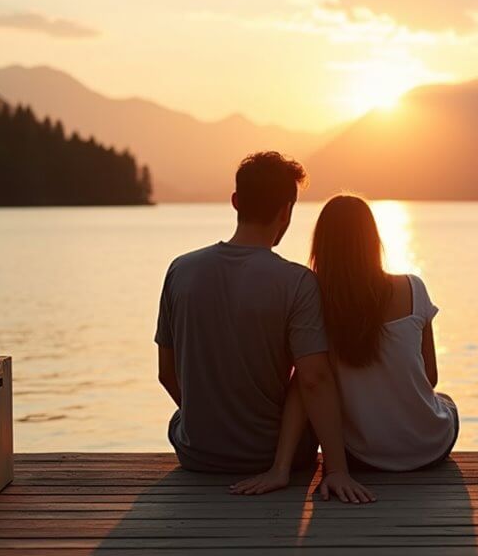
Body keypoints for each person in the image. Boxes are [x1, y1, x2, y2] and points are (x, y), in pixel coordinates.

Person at [155, 152, 375, 504]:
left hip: (196, 453)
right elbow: (314, 379)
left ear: (236, 202)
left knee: (178, 421)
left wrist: (209, 420)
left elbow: (167, 373)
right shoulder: (298, 283)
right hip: (272, 456)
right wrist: (337, 470)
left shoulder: (180, 271)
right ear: (287, 210)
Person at [232, 194, 456, 494]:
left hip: (364, 456)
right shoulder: (414, 287)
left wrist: (279, 468)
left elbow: (306, 383)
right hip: (429, 447)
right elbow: (429, 377)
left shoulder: (315, 302)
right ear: (372, 240)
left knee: (308, 375)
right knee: (445, 402)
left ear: (321, 245)